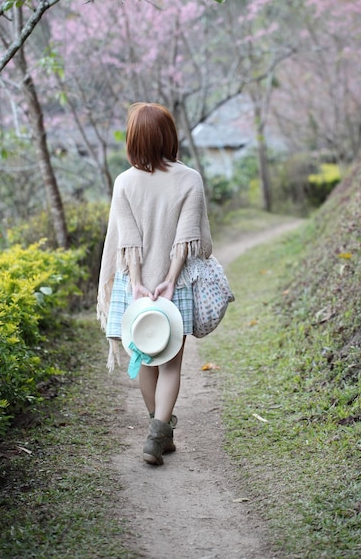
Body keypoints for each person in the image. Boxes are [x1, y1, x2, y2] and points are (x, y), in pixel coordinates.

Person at [97, 102, 212, 465]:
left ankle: (157, 433)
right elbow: (186, 240)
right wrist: (170, 279)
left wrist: (136, 285)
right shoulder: (189, 178)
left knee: (146, 361)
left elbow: (127, 240)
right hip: (172, 289)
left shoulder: (124, 182)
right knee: (172, 366)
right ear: (168, 136)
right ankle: (158, 434)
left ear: (134, 140)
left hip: (135, 290)